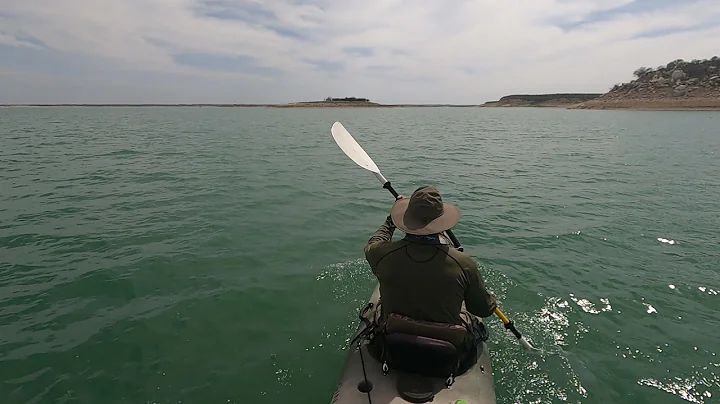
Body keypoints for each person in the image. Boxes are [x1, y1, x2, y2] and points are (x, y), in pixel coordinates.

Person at [363, 185, 497, 375]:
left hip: (391, 343)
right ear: (442, 222)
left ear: (406, 219)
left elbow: (375, 242)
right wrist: (489, 297)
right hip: (447, 351)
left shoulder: (381, 255)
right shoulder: (463, 263)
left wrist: (390, 221)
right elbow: (482, 309)